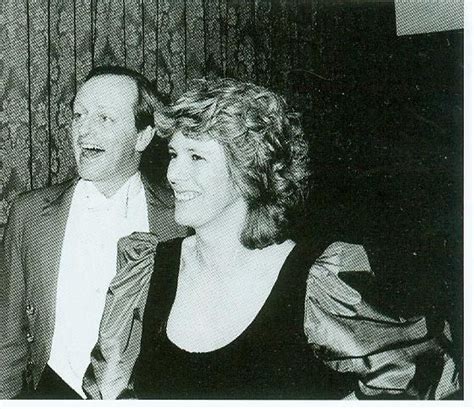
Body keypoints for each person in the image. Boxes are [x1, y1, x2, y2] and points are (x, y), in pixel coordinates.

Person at [84, 78, 460, 399]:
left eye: (196, 157)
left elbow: (422, 370)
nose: (174, 174)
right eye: (173, 154)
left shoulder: (315, 282)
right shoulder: (147, 271)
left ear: (249, 171)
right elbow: (108, 392)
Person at [0, 66, 187, 399]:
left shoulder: (180, 218)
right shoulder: (30, 214)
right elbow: (7, 339)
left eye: (104, 119)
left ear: (142, 136)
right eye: (78, 116)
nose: (83, 131)